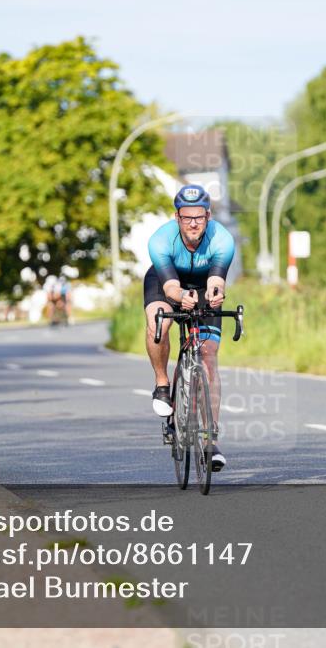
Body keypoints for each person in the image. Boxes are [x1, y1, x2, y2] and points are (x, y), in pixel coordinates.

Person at [144, 184, 235, 471]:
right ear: (177, 217)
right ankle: (162, 383)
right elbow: (170, 286)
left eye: (199, 217)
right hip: (166, 281)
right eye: (187, 217)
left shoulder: (222, 239)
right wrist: (181, 297)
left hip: (203, 283)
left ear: (208, 216)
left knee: (208, 356)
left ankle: (210, 441)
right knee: (159, 319)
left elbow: (217, 279)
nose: (193, 223)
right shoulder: (160, 241)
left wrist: (216, 293)